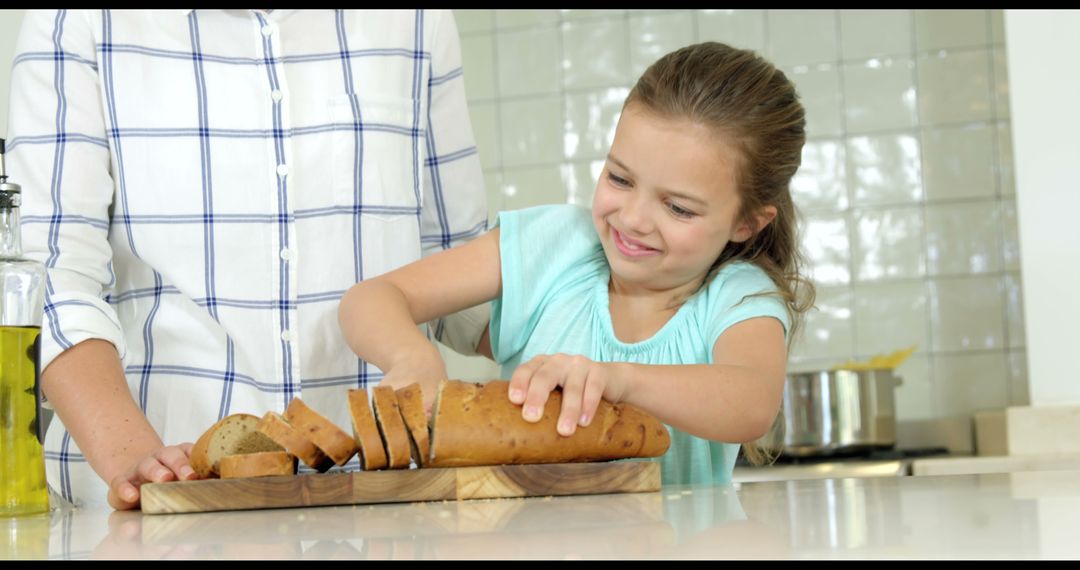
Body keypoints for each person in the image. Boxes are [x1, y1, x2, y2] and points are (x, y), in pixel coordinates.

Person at [6, 9, 490, 510]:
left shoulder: (416, 19)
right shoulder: (74, 19)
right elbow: (50, 279)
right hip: (155, 508)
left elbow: (458, 267)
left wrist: (568, 305)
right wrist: (140, 463)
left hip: (380, 501)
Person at [339, 41, 816, 486]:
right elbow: (374, 298)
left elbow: (752, 402)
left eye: (678, 208)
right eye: (620, 178)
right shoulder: (555, 247)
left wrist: (617, 378)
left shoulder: (739, 295)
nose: (632, 219)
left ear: (747, 223)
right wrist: (412, 357)